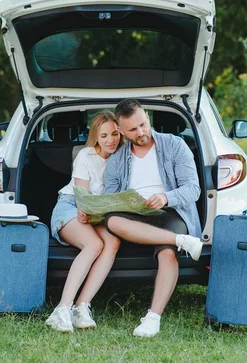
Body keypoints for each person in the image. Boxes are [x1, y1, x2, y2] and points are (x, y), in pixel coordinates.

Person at [103, 99, 204, 337]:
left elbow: (193, 189)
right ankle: (181, 240)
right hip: (133, 215)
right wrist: (125, 202)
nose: (140, 133)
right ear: (120, 130)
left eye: (143, 124)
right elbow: (109, 195)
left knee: (167, 252)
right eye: (132, 130)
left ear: (146, 116)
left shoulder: (174, 145)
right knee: (112, 221)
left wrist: (166, 197)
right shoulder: (117, 158)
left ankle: (153, 318)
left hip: (170, 211)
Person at [45, 111, 123, 333]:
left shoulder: (123, 157)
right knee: (94, 244)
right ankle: (61, 310)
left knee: (113, 243)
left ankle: (81, 307)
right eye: (105, 135)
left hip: (100, 213)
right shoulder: (86, 156)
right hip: (72, 206)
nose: (111, 140)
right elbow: (82, 197)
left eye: (115, 134)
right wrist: (87, 211)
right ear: (95, 136)